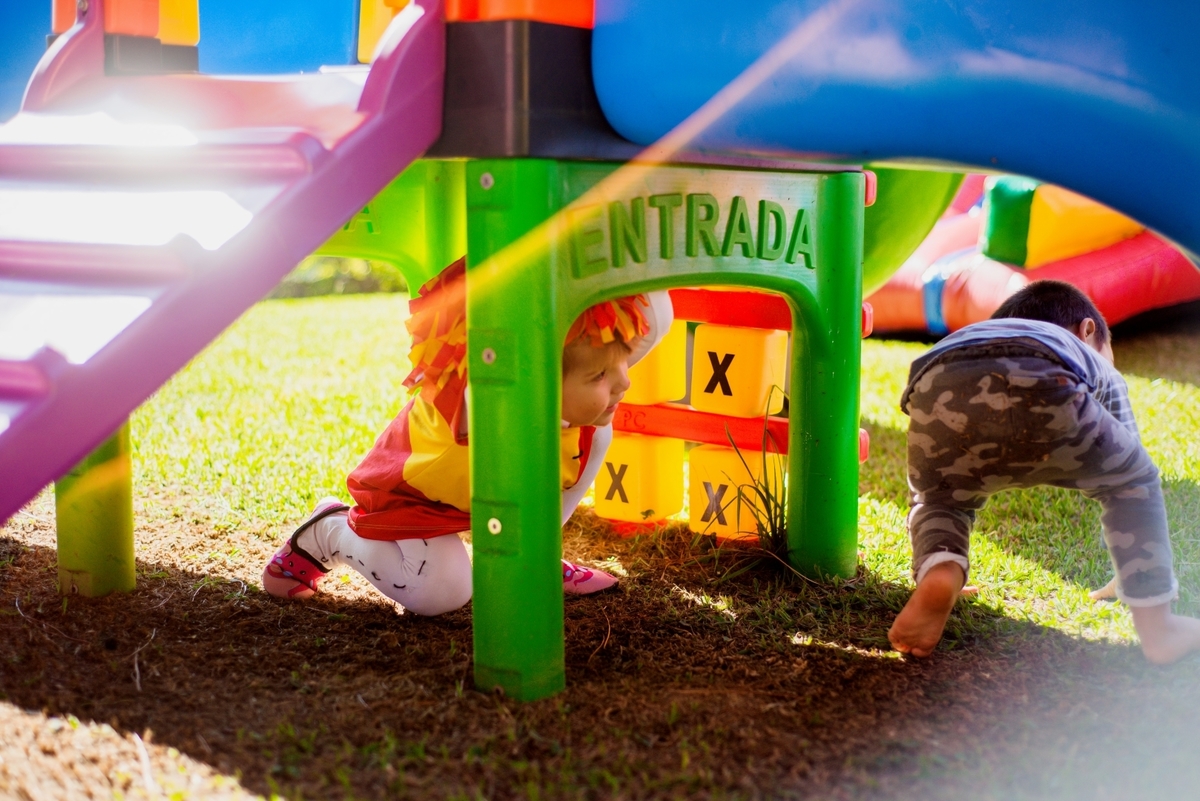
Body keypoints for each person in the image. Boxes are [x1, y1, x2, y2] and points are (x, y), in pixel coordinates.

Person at [260, 258, 672, 615]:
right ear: (533, 377)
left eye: (621, 363)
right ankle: (330, 531)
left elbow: (657, 312)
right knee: (444, 593)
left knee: (597, 432)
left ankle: (533, 554)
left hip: (473, 490)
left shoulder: (577, 384)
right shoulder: (486, 398)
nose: (623, 383)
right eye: (600, 375)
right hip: (413, 499)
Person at [888, 279, 1200, 664]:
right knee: (1132, 482)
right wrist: (1131, 571)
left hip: (936, 379)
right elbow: (1127, 457)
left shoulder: (979, 333)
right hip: (1045, 372)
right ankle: (1159, 628)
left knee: (939, 502)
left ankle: (942, 569)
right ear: (1089, 331)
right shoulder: (1071, 347)